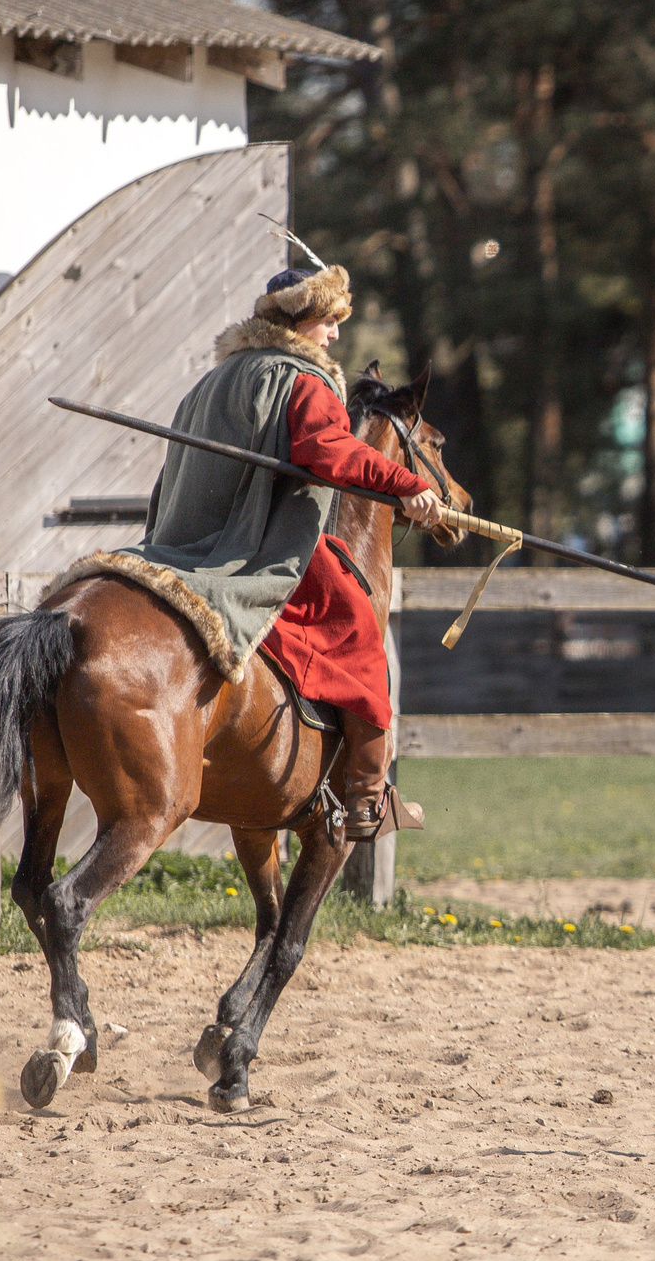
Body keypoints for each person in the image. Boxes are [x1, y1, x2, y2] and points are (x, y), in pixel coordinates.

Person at [72, 262, 445, 840]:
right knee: (358, 627)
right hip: (260, 544)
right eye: (330, 320)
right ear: (302, 318)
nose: (335, 334)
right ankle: (367, 797)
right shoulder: (303, 380)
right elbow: (330, 451)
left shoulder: (211, 381)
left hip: (181, 542)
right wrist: (406, 483)